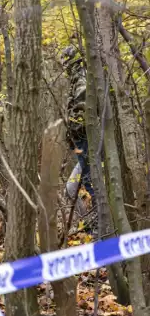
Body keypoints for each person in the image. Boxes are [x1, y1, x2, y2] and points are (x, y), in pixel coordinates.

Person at [61, 45, 94, 200]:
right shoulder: (76, 80)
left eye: (66, 62)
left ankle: (101, 223)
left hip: (85, 140)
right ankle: (91, 223)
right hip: (80, 142)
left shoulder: (81, 78)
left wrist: (74, 132)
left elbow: (82, 110)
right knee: (71, 188)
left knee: (89, 183)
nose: (64, 67)